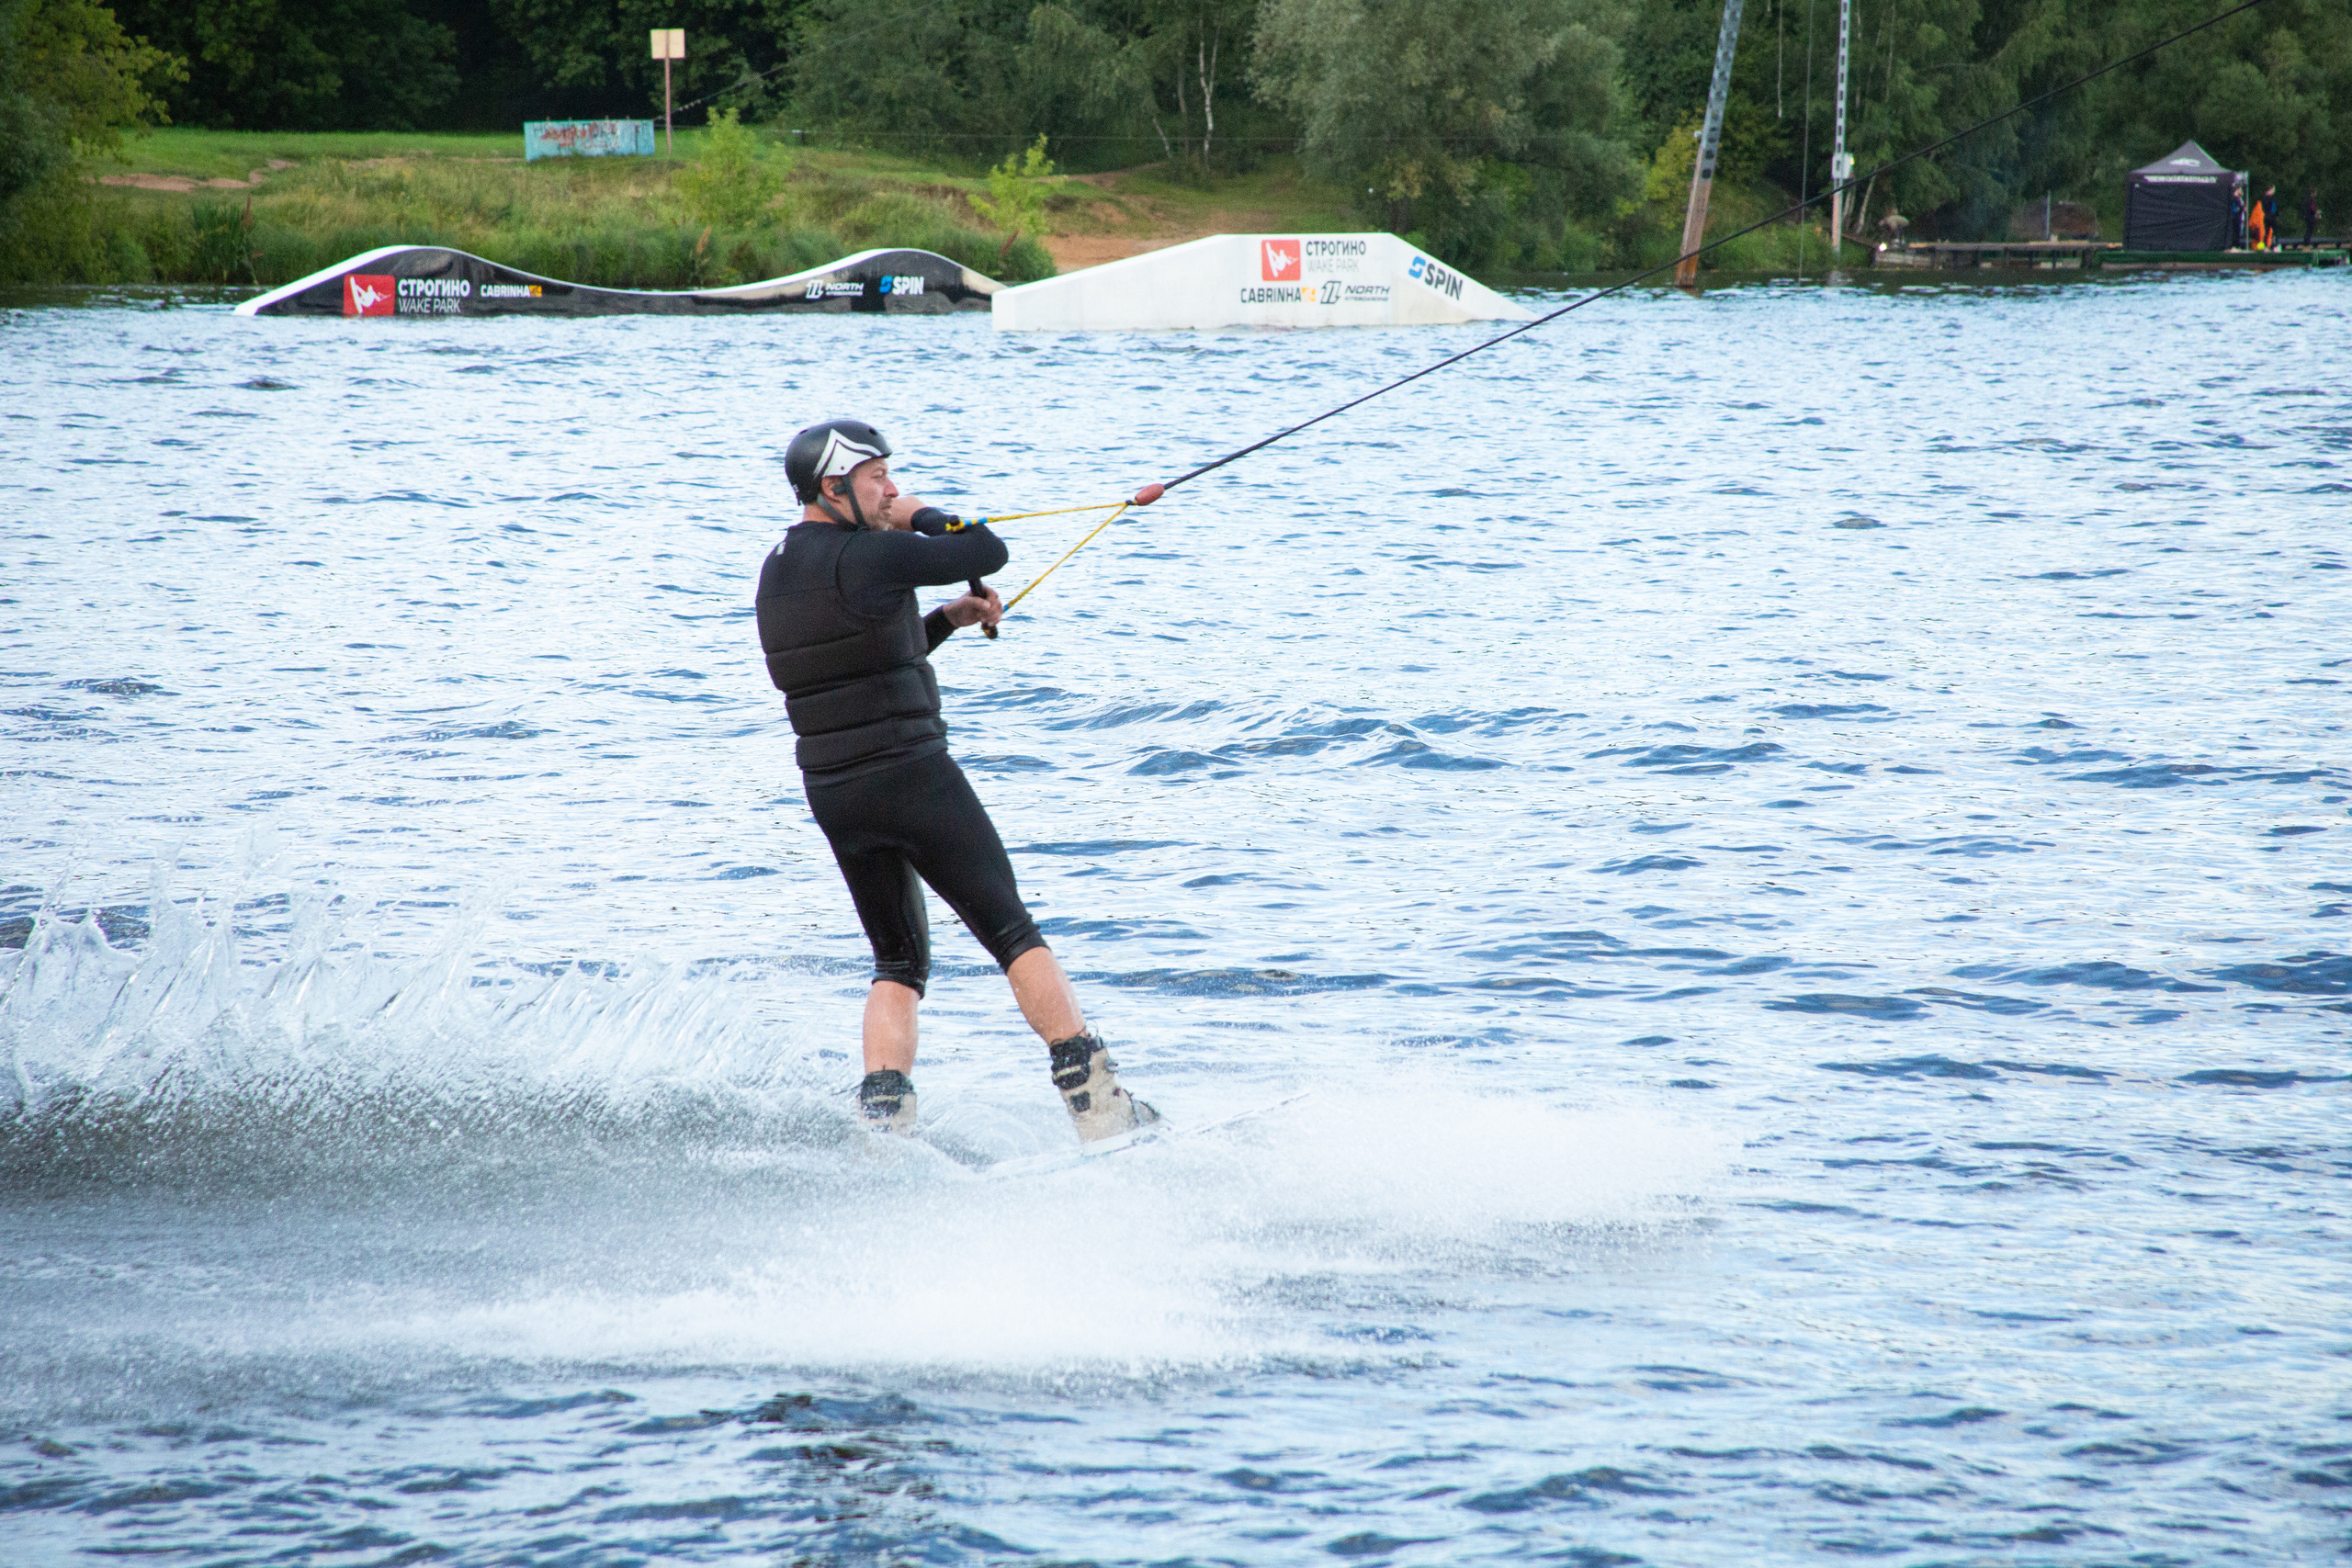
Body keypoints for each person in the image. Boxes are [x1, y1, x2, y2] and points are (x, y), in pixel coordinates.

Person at [754, 419, 1159, 1144]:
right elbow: (985, 548)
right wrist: (922, 517)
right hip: (911, 776)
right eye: (879, 477)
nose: (893, 489)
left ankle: (884, 1128)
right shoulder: (868, 553)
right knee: (1011, 929)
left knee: (898, 959)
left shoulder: (780, 566)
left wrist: (945, 617)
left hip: (836, 793)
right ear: (833, 487)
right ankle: (1098, 1105)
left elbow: (856, 658)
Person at [2260, 186, 2279, 251]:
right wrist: (2276, 215)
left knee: (2267, 232)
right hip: (2272, 216)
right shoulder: (2272, 198)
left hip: (2266, 216)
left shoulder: (2263, 198)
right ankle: (2275, 246)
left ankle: (2265, 246)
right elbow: (2274, 208)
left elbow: (2263, 208)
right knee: (2274, 232)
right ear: (2270, 190)